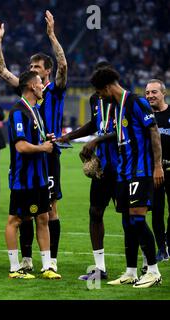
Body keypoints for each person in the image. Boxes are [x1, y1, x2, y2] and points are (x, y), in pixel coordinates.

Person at [0, 11, 67, 272]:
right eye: (31, 68)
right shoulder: (25, 94)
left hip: (49, 156)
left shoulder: (53, 90)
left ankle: (51, 261)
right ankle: (25, 260)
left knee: (49, 210)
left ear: (46, 72)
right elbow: (0, 69)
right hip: (25, 156)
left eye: (37, 68)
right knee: (24, 211)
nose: (32, 71)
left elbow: (64, 66)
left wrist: (52, 35)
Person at [90, 67, 163, 288]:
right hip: (124, 173)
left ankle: (153, 271)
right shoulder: (117, 107)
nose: (99, 97)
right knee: (128, 223)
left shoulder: (137, 102)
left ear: (107, 87)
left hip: (140, 172)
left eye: (100, 92)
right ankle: (130, 272)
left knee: (138, 220)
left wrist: (157, 166)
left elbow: (153, 131)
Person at [58, 61, 117, 280]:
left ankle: (140, 268)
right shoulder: (95, 99)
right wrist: (69, 136)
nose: (97, 93)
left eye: (100, 88)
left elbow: (124, 130)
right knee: (95, 212)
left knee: (132, 217)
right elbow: (95, 124)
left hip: (123, 166)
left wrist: (97, 141)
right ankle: (100, 268)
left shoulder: (123, 101)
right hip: (102, 167)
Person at [6, 70, 61, 280]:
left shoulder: (35, 110)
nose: (42, 86)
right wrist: (43, 148)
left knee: (43, 217)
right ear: (31, 86)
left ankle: (47, 267)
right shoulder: (18, 111)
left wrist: (46, 138)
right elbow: (20, 146)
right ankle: (14, 268)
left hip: (40, 177)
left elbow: (34, 139)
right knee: (15, 220)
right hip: (23, 178)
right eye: (40, 83)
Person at [145, 79, 170, 262]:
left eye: (154, 92)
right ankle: (161, 248)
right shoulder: (146, 116)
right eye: (147, 93)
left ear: (164, 93)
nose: (150, 96)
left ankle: (167, 239)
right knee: (157, 211)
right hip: (154, 171)